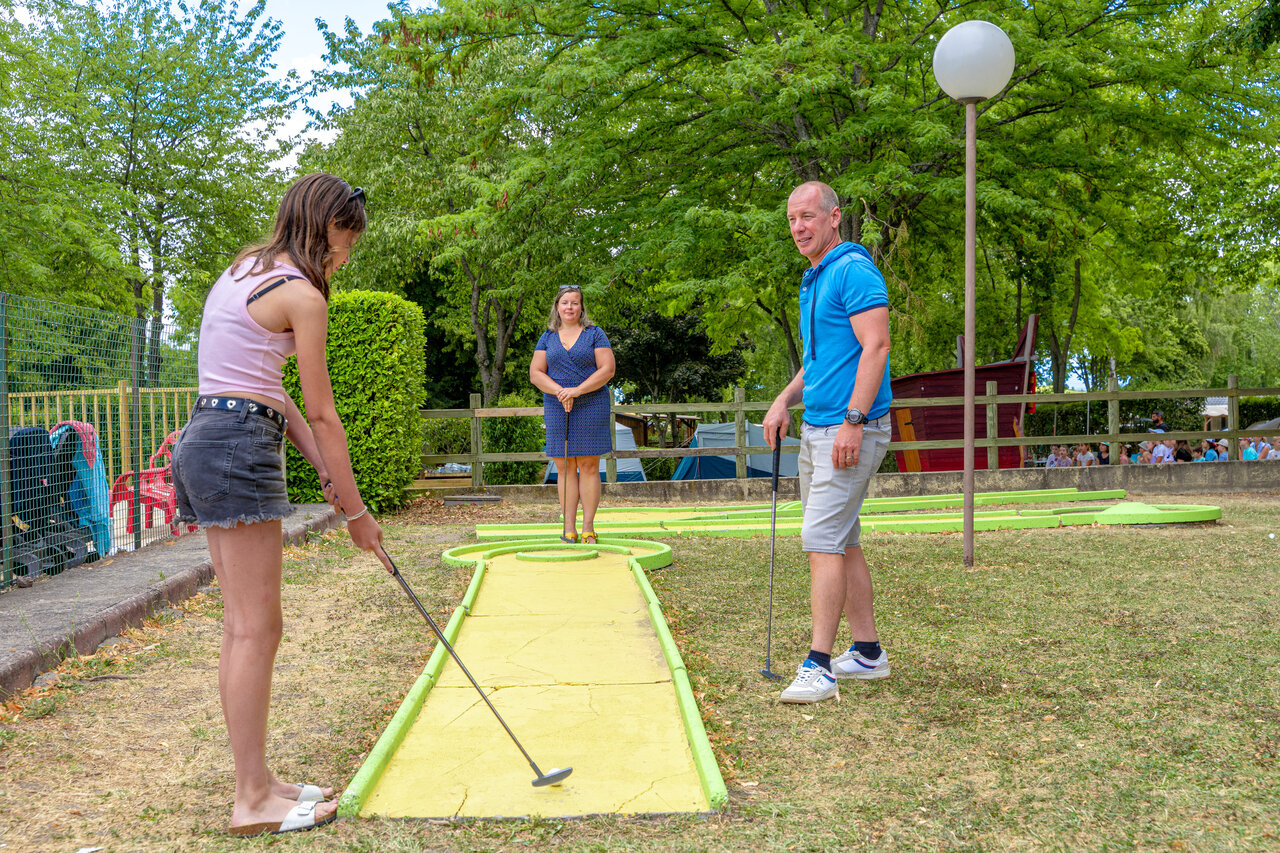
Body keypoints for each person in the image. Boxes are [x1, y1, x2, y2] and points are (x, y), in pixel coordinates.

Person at [171, 174, 388, 837]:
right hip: (237, 446)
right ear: (327, 227)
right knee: (256, 628)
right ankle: (251, 798)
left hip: (210, 436)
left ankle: (259, 782)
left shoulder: (244, 268)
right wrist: (356, 513)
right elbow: (323, 411)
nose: (347, 256)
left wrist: (327, 472)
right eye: (348, 239)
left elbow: (274, 393)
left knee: (246, 624)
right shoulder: (302, 295)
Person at [762, 181, 892, 705]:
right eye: (792, 219)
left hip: (848, 428)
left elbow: (876, 346)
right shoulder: (812, 278)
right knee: (843, 540)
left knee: (819, 541)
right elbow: (817, 361)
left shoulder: (853, 270)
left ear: (834, 216)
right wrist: (782, 400)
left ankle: (818, 666)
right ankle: (866, 653)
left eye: (809, 217)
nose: (799, 227)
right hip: (817, 427)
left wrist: (854, 421)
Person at [529, 285, 616, 544]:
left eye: (574, 303)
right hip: (557, 405)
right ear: (557, 306)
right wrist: (561, 392)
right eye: (565, 302)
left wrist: (576, 391)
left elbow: (607, 369)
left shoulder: (595, 334)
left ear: (581, 307)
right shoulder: (547, 336)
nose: (569, 307)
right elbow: (536, 373)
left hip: (591, 403)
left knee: (589, 465)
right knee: (564, 465)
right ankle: (569, 527)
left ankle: (588, 527)